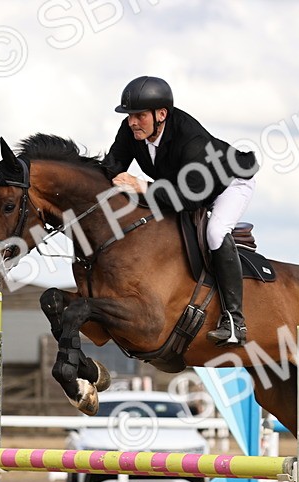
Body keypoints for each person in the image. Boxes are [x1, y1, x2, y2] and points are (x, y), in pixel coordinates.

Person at [102, 76, 259, 347]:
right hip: (186, 188)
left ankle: (234, 322)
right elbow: (111, 168)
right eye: (129, 116)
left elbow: (188, 199)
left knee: (215, 232)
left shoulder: (191, 139)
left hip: (229, 183)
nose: (132, 122)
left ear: (161, 114)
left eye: (139, 115)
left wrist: (141, 185)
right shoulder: (131, 131)